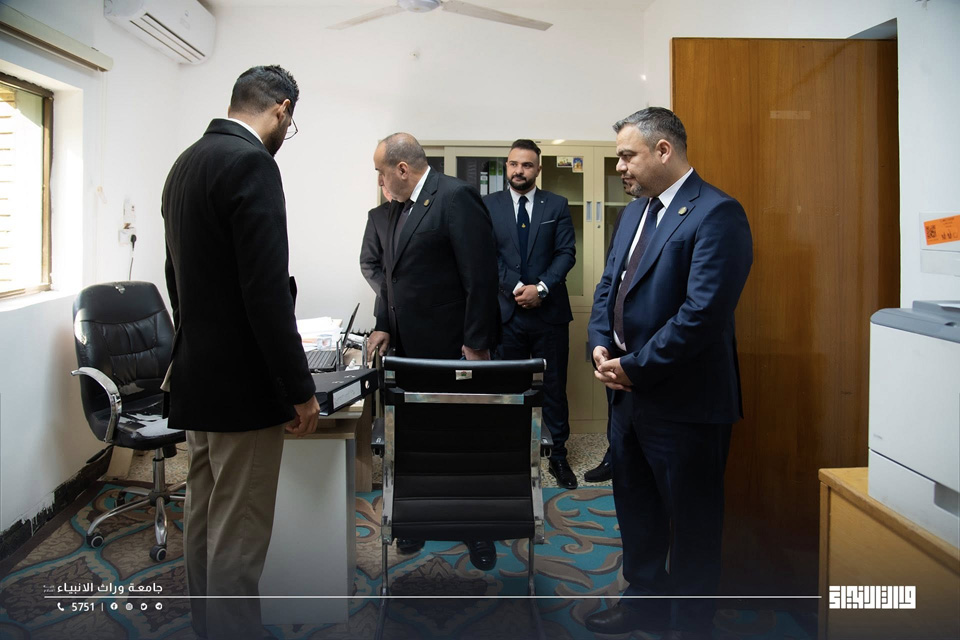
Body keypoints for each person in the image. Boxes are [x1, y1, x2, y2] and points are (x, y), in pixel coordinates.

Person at [161, 65, 320, 640]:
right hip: (244, 391)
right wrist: (299, 389)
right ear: (281, 109)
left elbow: (175, 277)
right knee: (240, 535)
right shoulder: (252, 164)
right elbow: (265, 291)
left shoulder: (186, 163)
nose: (285, 135)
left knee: (204, 518)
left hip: (198, 377)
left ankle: (207, 628)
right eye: (289, 124)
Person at [584, 107, 753, 640]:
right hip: (627, 398)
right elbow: (609, 285)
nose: (619, 167)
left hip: (685, 402)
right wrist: (599, 342)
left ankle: (689, 625)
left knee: (693, 524)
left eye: (626, 156)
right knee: (637, 510)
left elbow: (702, 315)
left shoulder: (717, 213)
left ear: (663, 150)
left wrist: (634, 368)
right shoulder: (634, 213)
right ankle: (645, 604)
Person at [366, 132, 501, 570]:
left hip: (451, 348)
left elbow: (481, 275)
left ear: (402, 169)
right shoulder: (396, 209)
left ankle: (476, 531)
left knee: (462, 444)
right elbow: (392, 277)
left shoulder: (455, 197)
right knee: (416, 443)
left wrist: (476, 343)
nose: (379, 181)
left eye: (381, 172)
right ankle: (418, 520)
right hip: (408, 351)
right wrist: (383, 323)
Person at [483, 139, 578, 489]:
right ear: (506, 167)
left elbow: (566, 253)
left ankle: (558, 456)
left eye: (526, 165)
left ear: (538, 168)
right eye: (513, 164)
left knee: (553, 387)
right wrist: (516, 287)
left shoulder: (557, 204)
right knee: (509, 388)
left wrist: (541, 289)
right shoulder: (488, 205)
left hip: (548, 314)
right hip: (506, 315)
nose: (518, 170)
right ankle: (512, 455)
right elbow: (486, 255)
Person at [359, 184, 393, 317]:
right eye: (383, 186)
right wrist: (388, 293)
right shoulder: (376, 215)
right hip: (387, 306)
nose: (387, 190)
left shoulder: (422, 210)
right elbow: (367, 263)